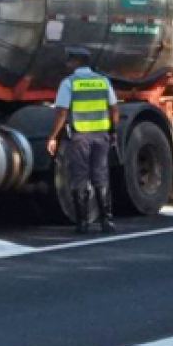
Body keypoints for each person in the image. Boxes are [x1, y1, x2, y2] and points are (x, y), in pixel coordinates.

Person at [46, 47, 120, 235]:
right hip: (101, 135)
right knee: (100, 176)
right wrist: (113, 130)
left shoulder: (69, 83)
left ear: (76, 62)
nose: (68, 64)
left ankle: (83, 223)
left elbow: (62, 111)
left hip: (80, 136)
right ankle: (107, 222)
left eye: (70, 60)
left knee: (79, 177)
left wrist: (53, 136)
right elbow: (114, 108)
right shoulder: (102, 81)